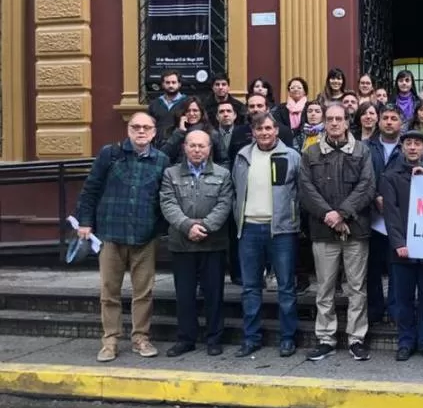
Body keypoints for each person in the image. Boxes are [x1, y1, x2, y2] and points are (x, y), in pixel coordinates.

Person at [76, 112, 170, 362]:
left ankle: (141, 338)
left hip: (145, 236)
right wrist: (85, 222)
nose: (141, 132)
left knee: (144, 291)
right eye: (136, 127)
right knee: (109, 290)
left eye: (146, 128)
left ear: (154, 132)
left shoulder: (162, 160)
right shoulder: (110, 154)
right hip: (111, 234)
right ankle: (110, 341)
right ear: (128, 130)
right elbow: (91, 189)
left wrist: (157, 229)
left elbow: (165, 198)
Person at [302, 103, 377, 361]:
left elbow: (367, 186)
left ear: (347, 122)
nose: (334, 123)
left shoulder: (361, 151)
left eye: (339, 119)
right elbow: (306, 190)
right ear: (324, 122)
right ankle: (326, 338)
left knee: (356, 287)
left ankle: (356, 338)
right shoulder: (310, 153)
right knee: (324, 288)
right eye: (329, 119)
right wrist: (331, 217)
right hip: (323, 231)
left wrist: (342, 213)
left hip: (355, 231)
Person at [231, 112, 302, 357]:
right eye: (260, 129)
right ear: (253, 132)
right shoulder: (242, 157)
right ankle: (251, 338)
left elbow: (301, 191)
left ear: (276, 131)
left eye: (269, 128)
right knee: (250, 288)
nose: (264, 133)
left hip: (281, 230)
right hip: (249, 228)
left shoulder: (292, 156)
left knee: (285, 288)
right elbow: (235, 190)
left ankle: (288, 338)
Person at [159, 129, 234, 357]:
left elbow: (225, 204)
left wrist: (206, 227)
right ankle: (186, 339)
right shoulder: (170, 174)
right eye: (192, 145)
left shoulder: (223, 174)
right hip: (182, 244)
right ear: (184, 147)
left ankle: (214, 338)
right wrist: (187, 226)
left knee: (214, 294)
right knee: (184, 295)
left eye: (202, 146)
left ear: (210, 149)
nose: (197, 150)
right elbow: (168, 203)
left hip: (213, 243)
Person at [382, 129, 423, 361]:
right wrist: (398, 242)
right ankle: (406, 341)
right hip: (403, 250)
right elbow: (391, 212)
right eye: (408, 143)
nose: (412, 147)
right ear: (402, 147)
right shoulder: (390, 175)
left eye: (417, 144)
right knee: (403, 299)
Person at [366, 105, 404, 326]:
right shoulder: (365, 148)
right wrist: (375, 196)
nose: (389, 122)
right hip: (370, 218)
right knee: (372, 269)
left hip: (397, 219)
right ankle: (375, 311)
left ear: (401, 123)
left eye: (394, 118)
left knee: (396, 268)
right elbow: (361, 176)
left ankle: (396, 311)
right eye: (385, 118)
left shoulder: (407, 147)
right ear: (378, 122)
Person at [228, 92, 295, 165]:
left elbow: (290, 159)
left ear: (267, 109)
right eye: (252, 106)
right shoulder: (238, 132)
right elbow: (233, 160)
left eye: (259, 106)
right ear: (247, 110)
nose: (255, 109)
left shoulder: (284, 131)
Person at [160, 96, 227, 167]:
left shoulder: (212, 133)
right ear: (183, 113)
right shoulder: (172, 131)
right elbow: (162, 156)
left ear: (201, 112)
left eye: (195, 110)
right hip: (178, 174)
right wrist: (179, 133)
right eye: (188, 111)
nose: (191, 114)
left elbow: (223, 161)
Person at [148, 70, 187, 144]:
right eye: (167, 82)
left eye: (174, 82)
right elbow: (149, 126)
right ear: (162, 84)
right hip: (158, 145)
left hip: (180, 144)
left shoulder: (187, 102)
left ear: (179, 84)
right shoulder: (154, 103)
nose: (171, 85)